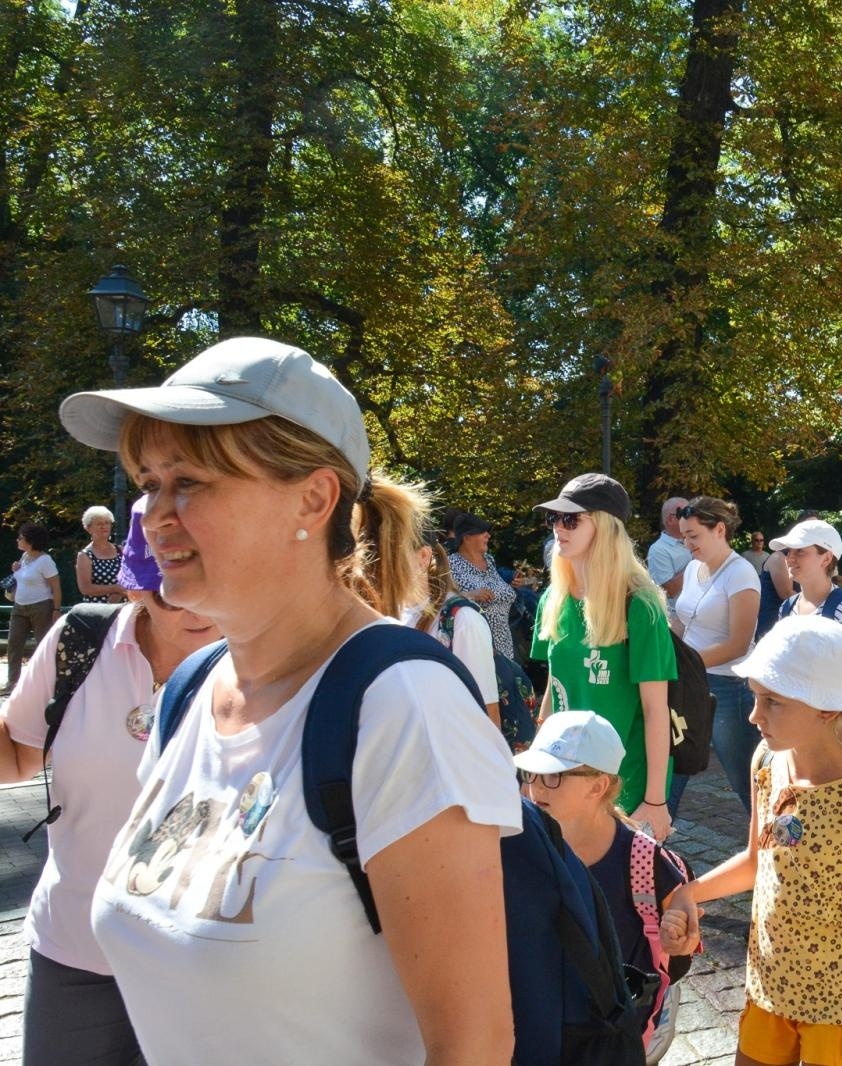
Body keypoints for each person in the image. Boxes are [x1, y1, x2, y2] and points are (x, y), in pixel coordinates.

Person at [62, 336, 523, 1063]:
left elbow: (473, 1044)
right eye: (148, 482)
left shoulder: (402, 705)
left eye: (190, 482)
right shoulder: (191, 689)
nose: (152, 513)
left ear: (312, 498)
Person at [0, 496, 219, 1065]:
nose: (191, 608)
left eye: (209, 584)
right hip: (74, 950)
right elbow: (17, 755)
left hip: (211, 967)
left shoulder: (265, 662)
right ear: (133, 583)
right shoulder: (82, 640)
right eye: (164, 591)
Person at [662, 614, 842, 1066]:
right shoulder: (766, 761)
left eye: (772, 701)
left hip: (838, 1007)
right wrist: (690, 891)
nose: (753, 715)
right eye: (756, 697)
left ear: (826, 707)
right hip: (769, 988)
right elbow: (755, 860)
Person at [516, 711, 694, 1064]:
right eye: (530, 773)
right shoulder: (521, 842)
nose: (535, 786)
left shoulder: (645, 861)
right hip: (539, 1022)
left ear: (598, 786)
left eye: (554, 777)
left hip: (608, 1036)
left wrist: (678, 940)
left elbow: (675, 960)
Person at [533, 473, 676, 839]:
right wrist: (536, 771)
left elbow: (655, 709)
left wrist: (656, 801)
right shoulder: (553, 600)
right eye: (554, 519)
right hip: (564, 776)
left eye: (571, 519)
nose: (558, 529)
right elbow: (554, 685)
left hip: (623, 781)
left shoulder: (639, 605)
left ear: (605, 527)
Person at [674, 495, 761, 812]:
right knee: (671, 774)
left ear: (720, 530)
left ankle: (778, 848)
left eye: (693, 536)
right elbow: (684, 622)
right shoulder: (694, 567)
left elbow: (738, 644)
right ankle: (649, 849)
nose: (687, 543)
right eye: (683, 535)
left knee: (748, 785)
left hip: (728, 688)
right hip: (688, 684)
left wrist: (685, 663)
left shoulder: (741, 573)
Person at [401, 539, 502, 733]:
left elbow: (487, 716)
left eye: (388, 550)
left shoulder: (462, 620)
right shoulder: (382, 618)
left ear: (423, 556)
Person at [772, 519, 842, 644]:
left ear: (826, 559)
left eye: (799, 551)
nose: (789, 558)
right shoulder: (787, 607)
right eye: (789, 551)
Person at [449, 512, 520, 659]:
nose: (488, 535)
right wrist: (470, 595)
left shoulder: (489, 560)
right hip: (474, 650)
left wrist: (513, 586)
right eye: (482, 532)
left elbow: (496, 593)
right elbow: (440, 602)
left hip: (504, 649)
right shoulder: (451, 565)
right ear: (466, 537)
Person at [6, 523, 61, 693]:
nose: (18, 540)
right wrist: (15, 569)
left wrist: (56, 609)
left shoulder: (45, 560)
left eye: (21, 537)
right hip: (19, 607)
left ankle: (44, 684)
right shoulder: (24, 557)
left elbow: (56, 586)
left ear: (30, 541)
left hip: (41, 607)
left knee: (43, 645)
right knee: (14, 644)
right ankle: (12, 682)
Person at [647, 496, 692, 612]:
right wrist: (698, 561)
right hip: (680, 621)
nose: (692, 517)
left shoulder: (696, 540)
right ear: (671, 520)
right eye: (685, 513)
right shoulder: (658, 550)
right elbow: (669, 591)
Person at [76, 505, 126, 605]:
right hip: (97, 611)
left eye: (107, 523)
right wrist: (115, 588)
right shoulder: (84, 555)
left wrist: (120, 594)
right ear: (88, 528)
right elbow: (85, 588)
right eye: (99, 524)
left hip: (123, 607)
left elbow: (131, 577)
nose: (104, 526)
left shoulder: (120, 550)